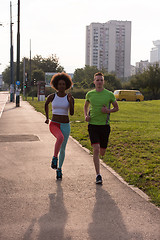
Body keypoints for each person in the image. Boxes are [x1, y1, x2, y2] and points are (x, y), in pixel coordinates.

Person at [84, 72, 119, 184]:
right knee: (96, 149)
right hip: (93, 125)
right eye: (97, 80)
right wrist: (86, 116)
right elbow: (86, 106)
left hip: (104, 126)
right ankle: (98, 175)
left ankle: (98, 159)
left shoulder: (109, 94)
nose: (99, 82)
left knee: (102, 152)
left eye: (101, 80)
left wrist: (108, 111)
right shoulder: (90, 94)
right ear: (94, 82)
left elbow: (116, 108)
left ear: (103, 82)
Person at [45, 72, 74, 180]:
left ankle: (59, 169)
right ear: (56, 85)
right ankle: (54, 158)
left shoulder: (70, 97)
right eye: (59, 84)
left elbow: (71, 113)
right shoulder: (52, 96)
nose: (61, 86)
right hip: (54, 124)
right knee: (60, 138)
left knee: (63, 148)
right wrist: (47, 117)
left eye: (63, 84)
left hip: (65, 125)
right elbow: (46, 104)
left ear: (67, 85)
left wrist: (70, 102)